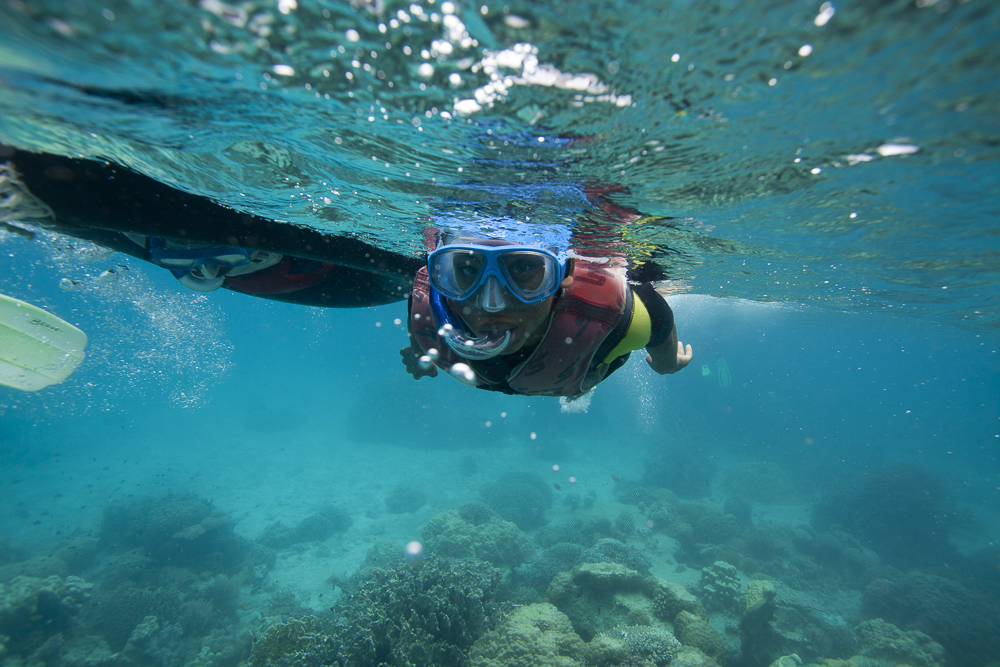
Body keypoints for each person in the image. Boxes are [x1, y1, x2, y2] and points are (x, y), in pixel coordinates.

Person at [1, 144, 692, 398]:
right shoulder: (424, 298)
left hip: (577, 370)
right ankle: (40, 194)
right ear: (439, 267)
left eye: (522, 273)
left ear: (562, 276)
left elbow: (660, 327)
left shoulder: (611, 315)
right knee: (382, 271)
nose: (488, 303)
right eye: (460, 272)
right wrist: (426, 352)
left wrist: (667, 363)